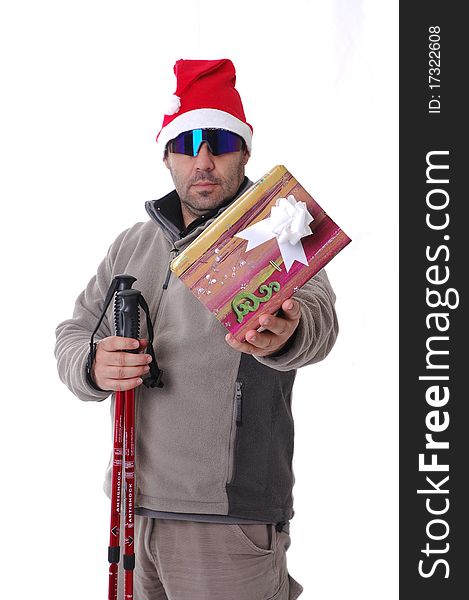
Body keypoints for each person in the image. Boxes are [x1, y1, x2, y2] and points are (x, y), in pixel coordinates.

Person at [55, 58, 339, 600]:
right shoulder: (132, 243)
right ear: (166, 154)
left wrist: (288, 332)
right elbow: (74, 332)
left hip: (229, 518)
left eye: (220, 144)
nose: (203, 162)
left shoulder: (278, 229)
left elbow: (319, 319)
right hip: (132, 511)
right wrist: (92, 364)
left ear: (245, 151)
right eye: (186, 145)